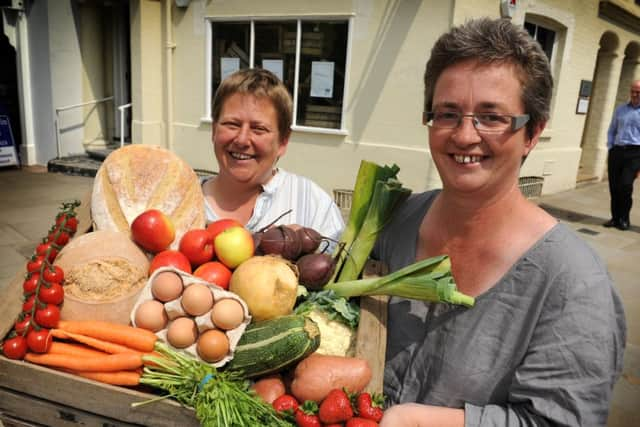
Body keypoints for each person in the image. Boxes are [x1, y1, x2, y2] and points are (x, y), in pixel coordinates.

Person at [373, 18, 626, 427]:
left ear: (532, 133)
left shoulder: (573, 283)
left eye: (491, 117)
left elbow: (561, 421)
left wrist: (421, 421)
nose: (464, 135)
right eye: (447, 113)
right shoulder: (394, 222)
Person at [201, 68, 344, 242]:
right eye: (232, 124)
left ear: (283, 141)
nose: (242, 140)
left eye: (258, 129)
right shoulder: (181, 205)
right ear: (214, 131)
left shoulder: (315, 206)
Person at [603, 79, 640, 231]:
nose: (635, 94)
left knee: (625, 185)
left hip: (635, 153)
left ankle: (624, 218)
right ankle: (615, 217)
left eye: (638, 92)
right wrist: (611, 147)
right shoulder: (621, 109)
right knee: (614, 186)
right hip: (617, 151)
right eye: (633, 91)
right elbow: (612, 129)